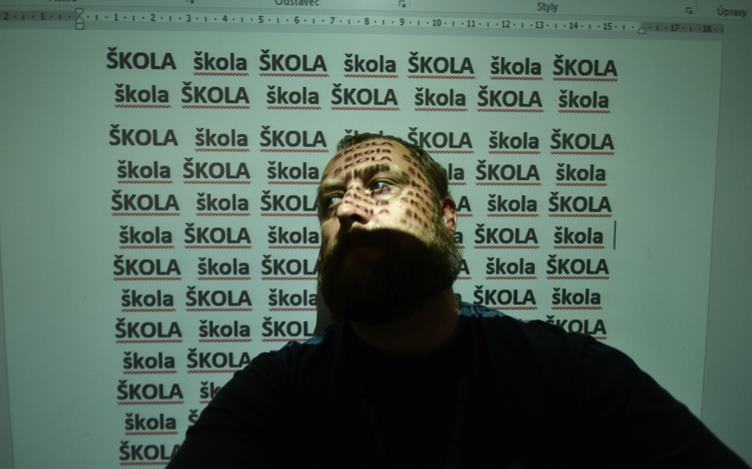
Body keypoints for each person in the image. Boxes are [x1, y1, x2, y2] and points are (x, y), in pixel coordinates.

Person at [168, 134, 747, 468]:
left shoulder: (567, 374)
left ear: (447, 217)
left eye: (380, 185)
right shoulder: (274, 395)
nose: (346, 210)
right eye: (328, 203)